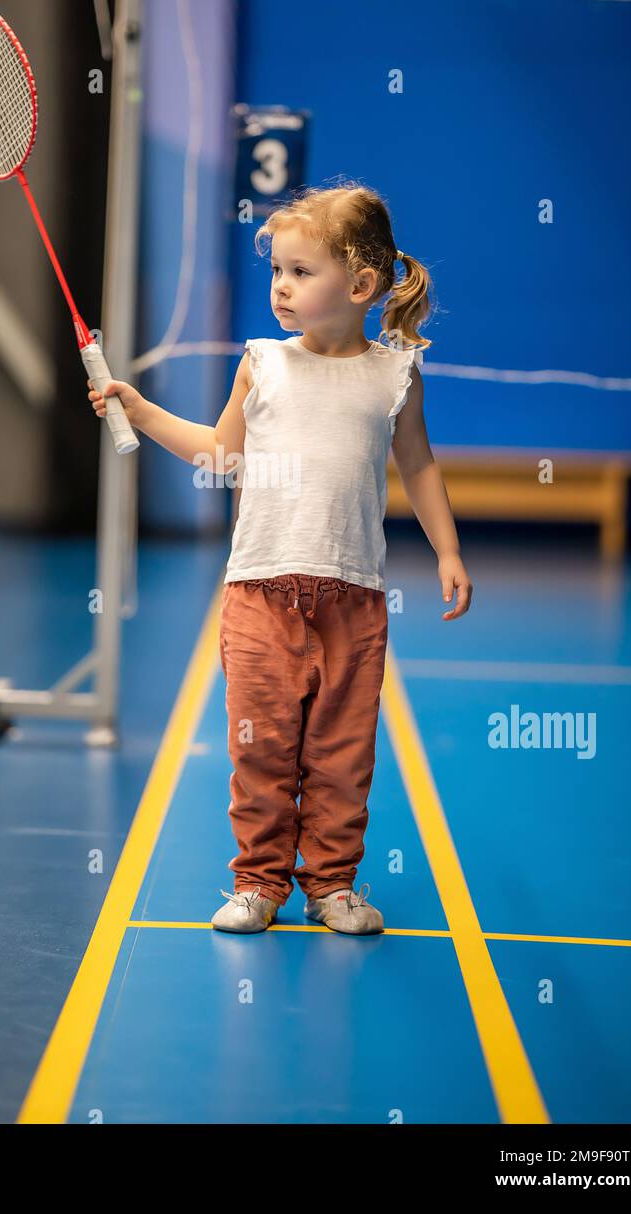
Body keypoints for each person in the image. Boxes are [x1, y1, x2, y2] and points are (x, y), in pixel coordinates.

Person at [88, 180, 472, 936]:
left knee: (341, 754)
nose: (282, 288)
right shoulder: (262, 363)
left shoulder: (394, 375)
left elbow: (420, 466)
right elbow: (221, 455)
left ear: (361, 285)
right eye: (277, 272)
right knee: (260, 752)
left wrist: (449, 549)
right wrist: (143, 409)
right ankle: (260, 882)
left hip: (353, 600)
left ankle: (331, 885)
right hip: (260, 594)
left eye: (302, 272)